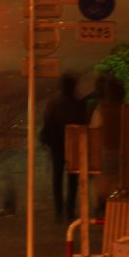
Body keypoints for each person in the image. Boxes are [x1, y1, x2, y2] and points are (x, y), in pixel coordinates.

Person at [39, 72, 86, 221]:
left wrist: (47, 138)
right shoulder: (78, 102)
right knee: (72, 178)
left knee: (57, 177)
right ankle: (69, 210)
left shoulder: (54, 102)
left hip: (57, 144)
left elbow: (47, 122)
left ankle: (59, 210)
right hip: (73, 144)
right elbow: (83, 123)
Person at [88, 73, 125, 211]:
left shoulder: (101, 110)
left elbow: (94, 132)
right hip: (122, 153)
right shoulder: (124, 109)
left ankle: (102, 208)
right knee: (116, 184)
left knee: (102, 184)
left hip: (104, 153)